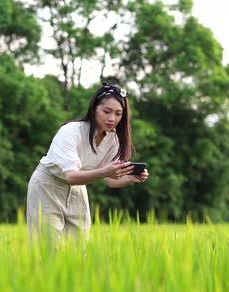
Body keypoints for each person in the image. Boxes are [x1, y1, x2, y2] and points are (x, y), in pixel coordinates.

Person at [26, 82, 149, 243]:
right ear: (94, 109)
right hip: (47, 185)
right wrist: (106, 172)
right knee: (49, 247)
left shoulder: (113, 139)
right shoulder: (71, 131)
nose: (112, 118)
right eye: (107, 111)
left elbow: (111, 180)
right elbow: (71, 176)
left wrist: (130, 178)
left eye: (119, 114)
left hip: (78, 189)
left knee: (79, 248)